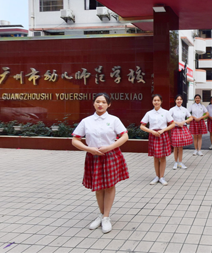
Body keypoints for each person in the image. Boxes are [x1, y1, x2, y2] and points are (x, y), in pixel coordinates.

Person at [71, 93, 129, 234]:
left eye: (103, 102)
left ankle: (106, 217)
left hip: (110, 155)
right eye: (98, 101)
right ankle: (101, 214)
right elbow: (75, 140)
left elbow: (125, 136)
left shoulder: (114, 120)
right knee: (98, 186)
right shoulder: (87, 121)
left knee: (109, 185)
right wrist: (88, 148)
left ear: (109, 104)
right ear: (93, 103)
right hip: (93, 156)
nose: (100, 104)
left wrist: (110, 147)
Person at [140, 94, 176, 186]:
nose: (156, 102)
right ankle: (157, 176)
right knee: (155, 157)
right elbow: (142, 126)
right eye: (154, 100)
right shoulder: (149, 113)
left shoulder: (166, 112)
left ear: (161, 102)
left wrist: (163, 130)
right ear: (152, 102)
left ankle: (162, 177)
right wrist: (151, 131)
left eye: (158, 100)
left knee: (163, 157)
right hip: (153, 136)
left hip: (163, 135)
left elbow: (172, 124)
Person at [169, 94, 193, 169]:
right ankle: (175, 162)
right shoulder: (172, 109)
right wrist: (176, 123)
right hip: (175, 129)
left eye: (180, 99)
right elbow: (169, 119)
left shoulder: (184, 109)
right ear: (175, 100)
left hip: (183, 128)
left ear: (182, 101)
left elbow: (191, 118)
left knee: (181, 147)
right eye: (177, 99)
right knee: (175, 147)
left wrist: (184, 121)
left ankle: (180, 162)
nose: (179, 101)